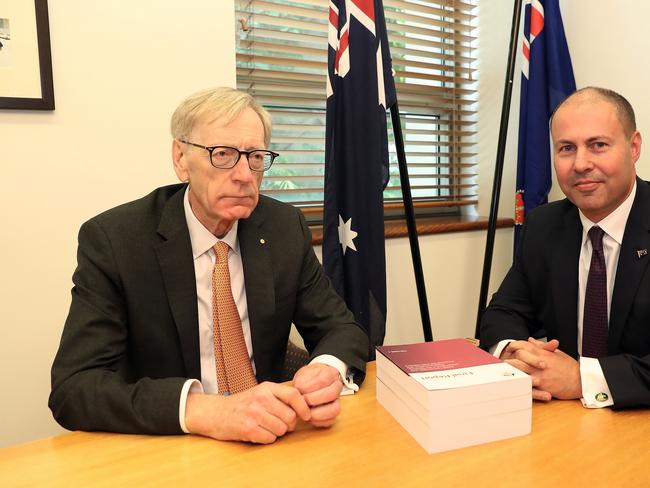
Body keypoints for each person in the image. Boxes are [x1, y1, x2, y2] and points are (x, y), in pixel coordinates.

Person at [49, 87, 369, 444]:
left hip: (272, 435)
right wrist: (203, 410)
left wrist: (326, 369)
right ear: (181, 158)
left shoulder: (282, 227)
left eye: (256, 156)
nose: (245, 175)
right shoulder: (116, 241)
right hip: (174, 447)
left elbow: (342, 329)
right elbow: (74, 388)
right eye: (223, 155)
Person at [480, 86, 650, 410]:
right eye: (566, 149)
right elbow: (503, 312)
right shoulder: (545, 226)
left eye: (598, 145)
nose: (581, 164)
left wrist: (582, 379)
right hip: (565, 425)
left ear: (634, 147)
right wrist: (516, 352)